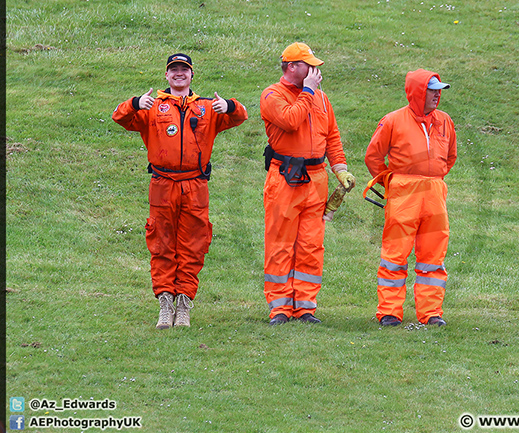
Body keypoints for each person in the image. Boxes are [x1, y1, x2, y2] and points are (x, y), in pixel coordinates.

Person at [113, 53, 248, 329]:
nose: (178, 74)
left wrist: (230, 105)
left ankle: (184, 303)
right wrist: (135, 103)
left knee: (194, 245)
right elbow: (119, 117)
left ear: (191, 75)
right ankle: (165, 304)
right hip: (162, 185)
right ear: (166, 75)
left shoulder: (207, 108)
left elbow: (241, 116)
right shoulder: (152, 106)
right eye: (173, 70)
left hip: (196, 186)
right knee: (161, 243)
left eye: (183, 70)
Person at [260, 42, 355, 326]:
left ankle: (305, 306)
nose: (315, 71)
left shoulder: (323, 100)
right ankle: (279, 308)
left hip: (317, 179)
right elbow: (290, 121)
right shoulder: (272, 95)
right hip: (284, 179)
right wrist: (309, 92)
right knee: (280, 243)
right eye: (308, 65)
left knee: (312, 245)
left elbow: (333, 138)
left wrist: (341, 171)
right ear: (291, 67)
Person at [364, 69, 457, 327]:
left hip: (435, 193)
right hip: (403, 194)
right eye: (432, 90)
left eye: (440, 90)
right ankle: (390, 312)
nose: (437, 95)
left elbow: (450, 157)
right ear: (417, 92)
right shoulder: (393, 121)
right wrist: (392, 182)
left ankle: (431, 313)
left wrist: (431, 178)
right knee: (395, 255)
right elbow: (373, 156)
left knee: (433, 256)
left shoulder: (445, 121)